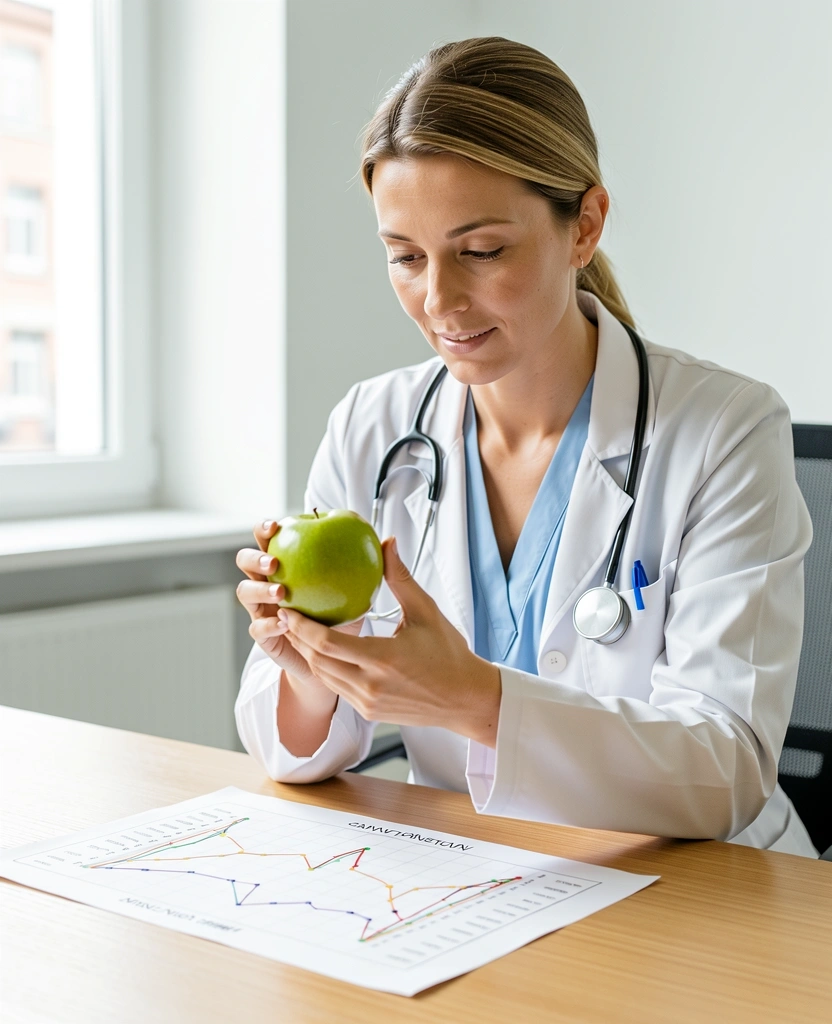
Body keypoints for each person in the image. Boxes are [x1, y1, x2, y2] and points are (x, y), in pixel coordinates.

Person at [234, 37, 817, 856]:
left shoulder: (724, 430)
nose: (438, 300)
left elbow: (726, 770)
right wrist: (307, 660)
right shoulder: (373, 426)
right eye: (404, 257)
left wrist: (475, 700)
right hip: (476, 878)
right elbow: (296, 756)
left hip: (699, 898)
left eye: (481, 252)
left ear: (585, 226)